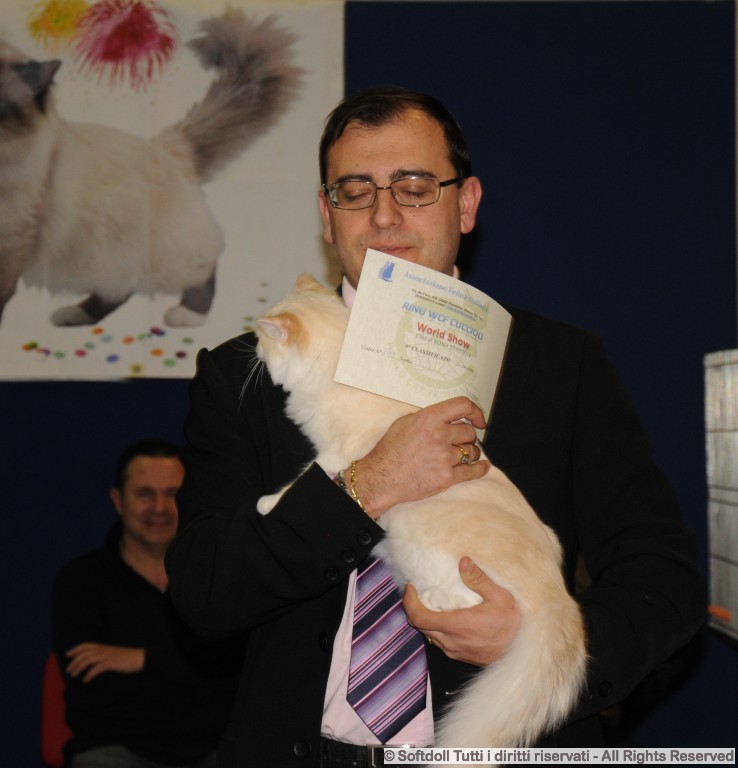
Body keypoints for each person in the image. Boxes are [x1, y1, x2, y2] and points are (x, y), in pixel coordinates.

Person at [165, 86, 706, 767]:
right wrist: (366, 486)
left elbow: (665, 578)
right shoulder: (247, 372)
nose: (384, 215)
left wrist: (538, 650)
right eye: (355, 191)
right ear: (327, 217)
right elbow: (205, 593)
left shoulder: (559, 365)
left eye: (415, 188)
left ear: (467, 203)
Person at [52, 439, 243, 768]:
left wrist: (141, 660)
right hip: (115, 750)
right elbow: (94, 698)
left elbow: (237, 680)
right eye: (145, 494)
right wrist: (191, 675)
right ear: (118, 501)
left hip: (215, 749)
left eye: (173, 494)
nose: (159, 508)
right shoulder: (80, 582)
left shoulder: (221, 578)